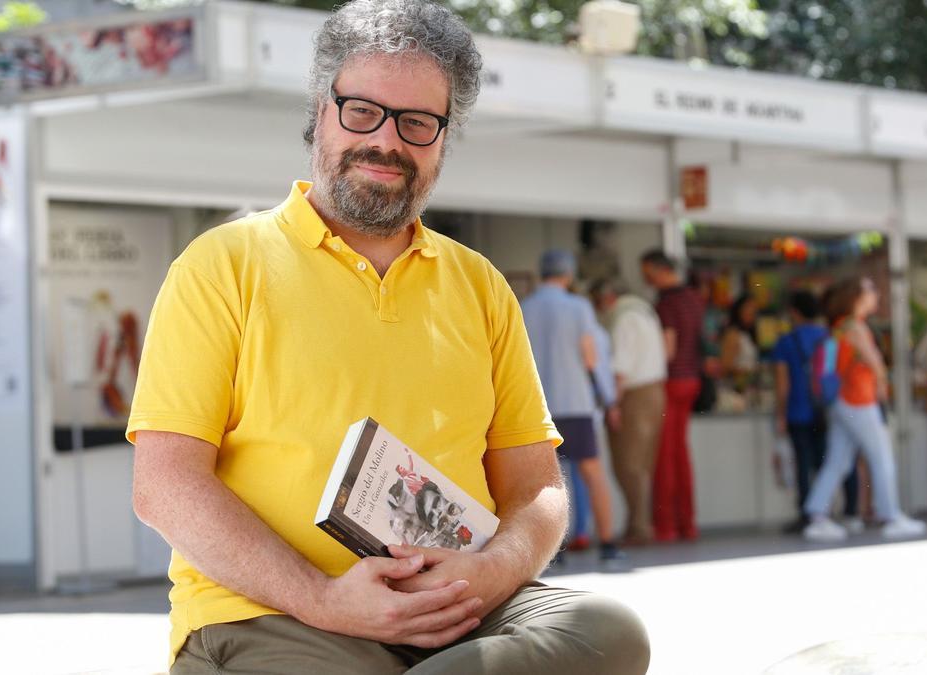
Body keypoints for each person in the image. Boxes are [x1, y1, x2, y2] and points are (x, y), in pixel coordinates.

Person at [127, 2, 650, 672]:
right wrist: (323, 598)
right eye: (362, 110)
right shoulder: (222, 265)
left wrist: (497, 567)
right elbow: (165, 484)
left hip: (461, 608)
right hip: (271, 614)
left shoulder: (480, 285)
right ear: (321, 110)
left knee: (607, 629)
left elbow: (536, 485)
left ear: (444, 137)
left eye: (417, 122)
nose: (387, 140)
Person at [802, 277, 927, 542]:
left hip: (842, 402)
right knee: (881, 458)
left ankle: (816, 515)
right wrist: (882, 379)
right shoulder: (855, 328)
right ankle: (890, 516)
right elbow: (875, 363)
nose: (876, 295)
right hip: (859, 401)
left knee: (838, 461)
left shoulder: (840, 327)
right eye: (870, 290)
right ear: (856, 298)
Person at [522, 250, 625, 566]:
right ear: (568, 275)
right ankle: (607, 544)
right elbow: (591, 356)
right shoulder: (579, 307)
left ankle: (550, 551)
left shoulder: (524, 307)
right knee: (593, 473)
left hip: (536, 405)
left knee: (541, 482)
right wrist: (609, 398)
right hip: (575, 401)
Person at [771, 290, 859, 534]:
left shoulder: (787, 342)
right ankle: (840, 510)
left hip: (798, 411)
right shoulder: (829, 337)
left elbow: (782, 384)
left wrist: (780, 414)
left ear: (794, 312)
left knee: (803, 464)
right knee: (830, 462)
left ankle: (809, 513)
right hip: (827, 410)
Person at [590, 277, 667, 546]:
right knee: (643, 465)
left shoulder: (622, 318)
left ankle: (639, 528)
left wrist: (612, 403)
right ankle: (640, 525)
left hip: (633, 396)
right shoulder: (646, 313)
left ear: (609, 297)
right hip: (655, 391)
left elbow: (620, 367)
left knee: (628, 465)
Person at [641, 249, 706, 542]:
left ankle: (666, 527)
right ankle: (688, 524)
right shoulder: (694, 299)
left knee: (664, 456)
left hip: (671, 382)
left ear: (659, 270)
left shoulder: (665, 303)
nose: (645, 278)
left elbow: (668, 347)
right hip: (692, 380)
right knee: (682, 454)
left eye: (647, 272)